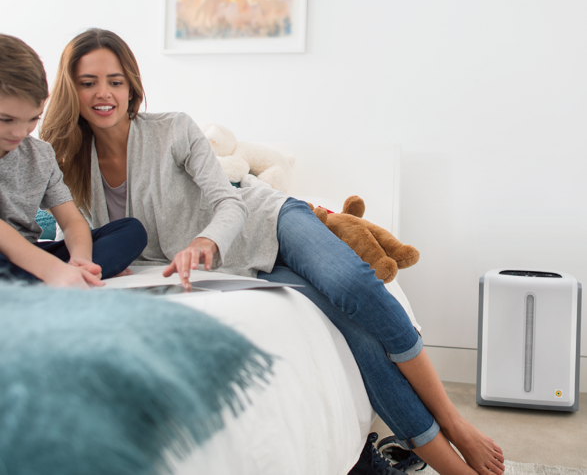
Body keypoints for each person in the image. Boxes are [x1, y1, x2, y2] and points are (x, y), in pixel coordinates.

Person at [41, 28, 505, 475]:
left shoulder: (173, 129)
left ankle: (455, 424)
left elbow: (226, 199)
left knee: (352, 285)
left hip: (269, 221)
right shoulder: (67, 163)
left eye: (115, 81)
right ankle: (450, 467)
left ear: (131, 87)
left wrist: (205, 240)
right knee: (355, 334)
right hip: (232, 269)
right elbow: (85, 233)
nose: (104, 93)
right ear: (71, 90)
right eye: (88, 82)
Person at [0, 34, 147, 287]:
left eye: (33, 119)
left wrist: (81, 260)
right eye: (6, 120)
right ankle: (49, 278)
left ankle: (74, 274)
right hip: (14, 257)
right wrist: (49, 268)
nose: (21, 133)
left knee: (131, 231)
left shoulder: (41, 155)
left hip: (28, 256)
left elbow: (71, 220)